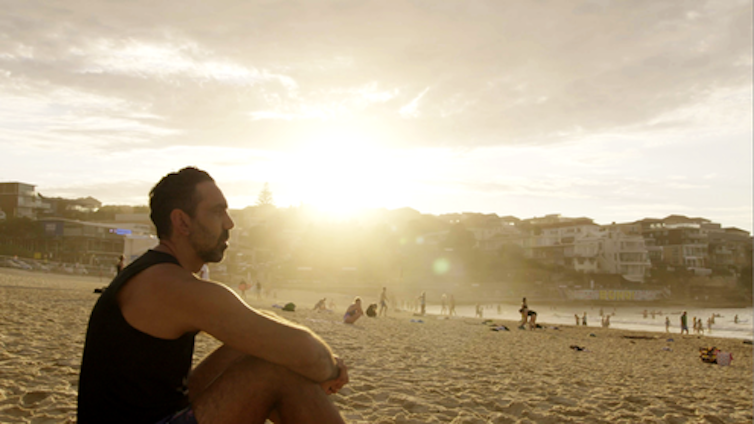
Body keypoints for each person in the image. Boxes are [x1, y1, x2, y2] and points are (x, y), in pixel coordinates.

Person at [77, 167, 348, 424]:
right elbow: (309, 356)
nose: (230, 223)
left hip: (159, 411)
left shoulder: (155, 273)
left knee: (262, 348)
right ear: (182, 221)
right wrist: (333, 369)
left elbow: (271, 334)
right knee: (275, 370)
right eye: (218, 212)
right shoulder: (170, 286)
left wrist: (313, 362)